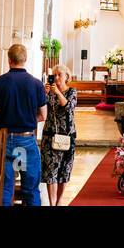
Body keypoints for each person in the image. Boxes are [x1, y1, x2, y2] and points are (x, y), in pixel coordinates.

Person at [0, 43, 48, 206]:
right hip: (26, 140)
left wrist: (1, 117)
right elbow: (43, 115)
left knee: (5, 188)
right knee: (30, 189)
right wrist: (26, 119)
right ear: (25, 59)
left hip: (4, 139)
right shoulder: (36, 84)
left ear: (9, 59)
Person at [40, 63, 78, 206]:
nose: (56, 78)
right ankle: (52, 202)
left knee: (64, 170)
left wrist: (57, 93)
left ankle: (59, 200)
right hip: (50, 135)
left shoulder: (72, 91)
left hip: (67, 135)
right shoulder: (49, 92)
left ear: (66, 77)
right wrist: (43, 92)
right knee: (51, 172)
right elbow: (40, 106)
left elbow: (68, 106)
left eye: (59, 75)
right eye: (54, 75)